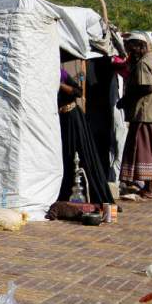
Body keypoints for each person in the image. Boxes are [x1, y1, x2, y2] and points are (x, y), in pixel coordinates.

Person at [118, 35, 152, 198]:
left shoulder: (144, 64)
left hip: (144, 113)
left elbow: (147, 87)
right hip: (151, 113)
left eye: (131, 49)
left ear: (138, 47)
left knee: (142, 150)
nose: (129, 53)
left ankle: (149, 187)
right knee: (148, 149)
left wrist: (126, 98)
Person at [58, 66, 114, 204]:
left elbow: (78, 91)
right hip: (59, 121)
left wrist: (58, 85)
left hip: (72, 119)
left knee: (77, 155)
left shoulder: (61, 74)